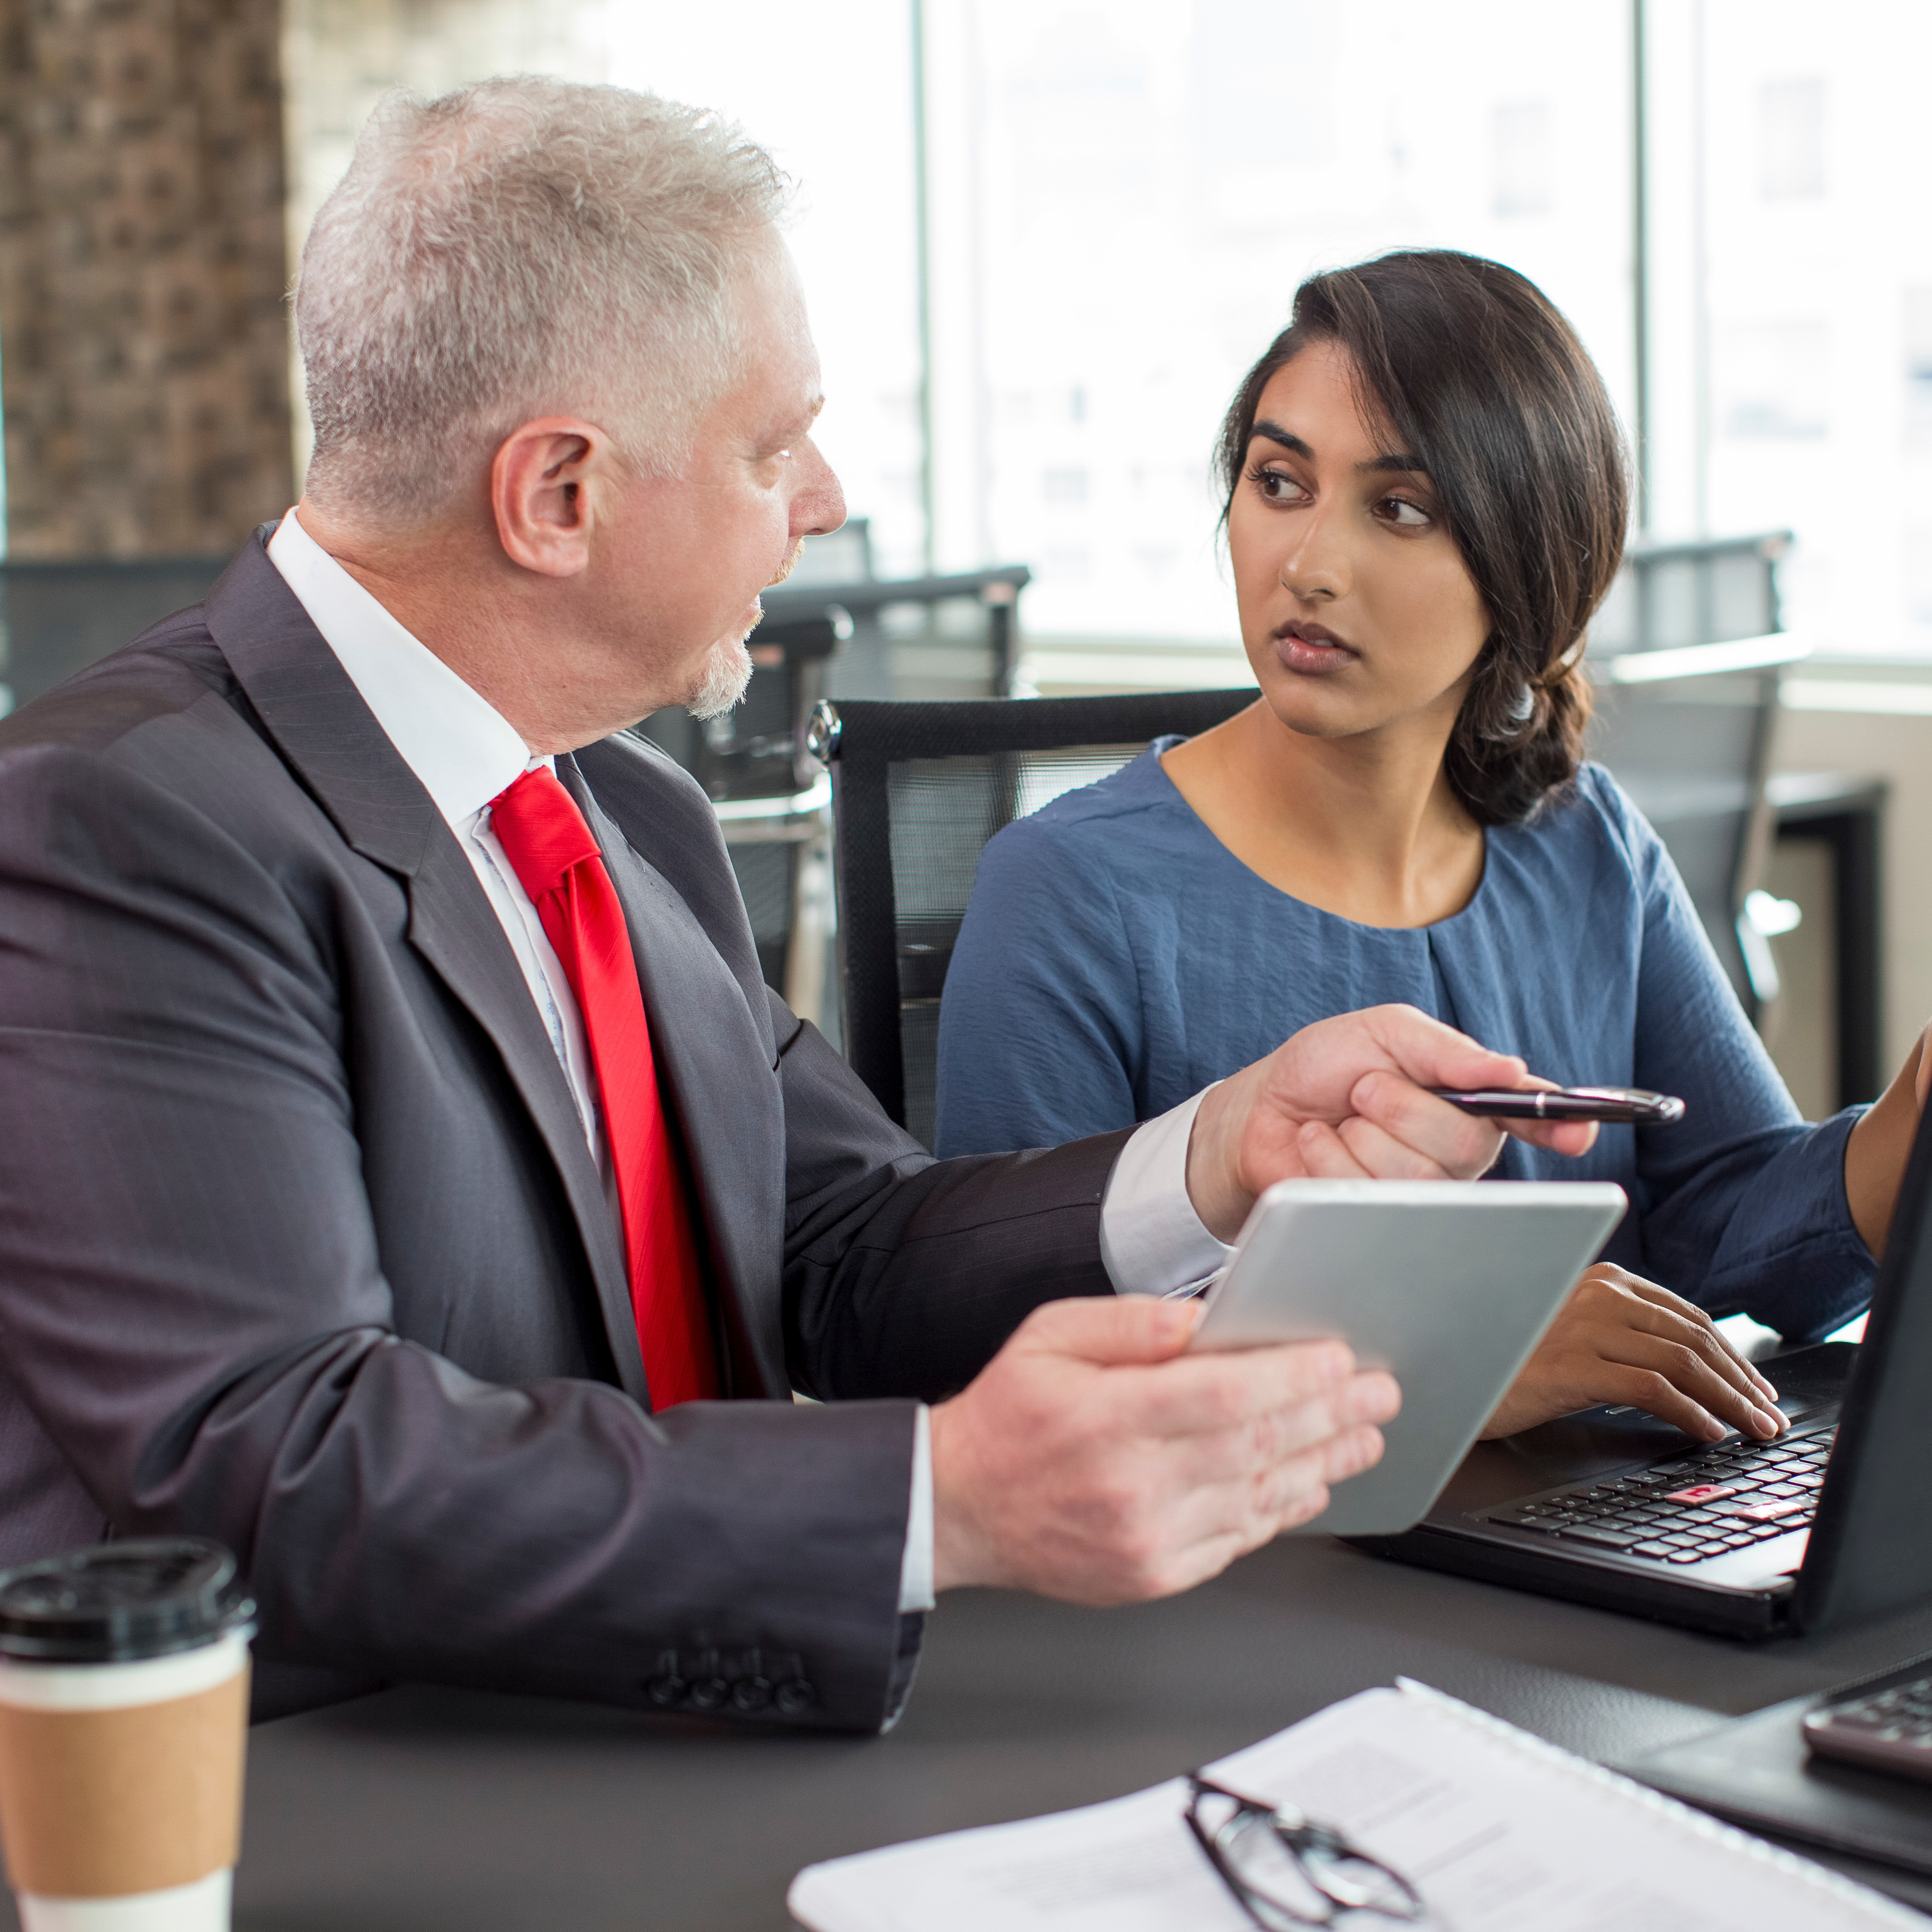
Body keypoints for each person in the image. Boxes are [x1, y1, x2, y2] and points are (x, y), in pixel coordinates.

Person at [0, 87, 1598, 1731]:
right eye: (774, 447)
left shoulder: (620, 804)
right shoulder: (119, 824)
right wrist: (939, 1499)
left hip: (677, 1723)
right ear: (560, 497)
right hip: (348, 1787)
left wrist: (1219, 1155)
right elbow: (282, 1463)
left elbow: (830, 1245)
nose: (821, 498)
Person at [937, 250, 1930, 1443]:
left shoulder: (1584, 842)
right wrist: (1452, 1368)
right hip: (1272, 1591)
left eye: (1399, 510)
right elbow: (1026, 1371)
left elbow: (1734, 1225)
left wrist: (1911, 1125)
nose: (1308, 565)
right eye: (1277, 481)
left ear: (1527, 570)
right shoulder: (1072, 890)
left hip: (1576, 1541)